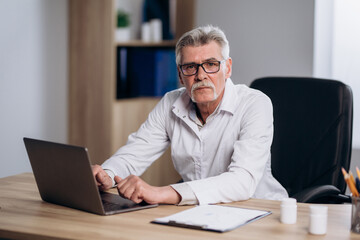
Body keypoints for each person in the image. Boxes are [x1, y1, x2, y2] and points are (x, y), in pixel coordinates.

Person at [92, 25, 288, 205]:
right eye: (190, 67)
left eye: (211, 64)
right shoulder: (171, 103)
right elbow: (136, 151)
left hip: (260, 209)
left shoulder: (254, 103)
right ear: (180, 74)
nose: (200, 75)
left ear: (227, 68)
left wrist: (161, 193)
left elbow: (242, 181)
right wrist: (107, 175)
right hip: (199, 211)